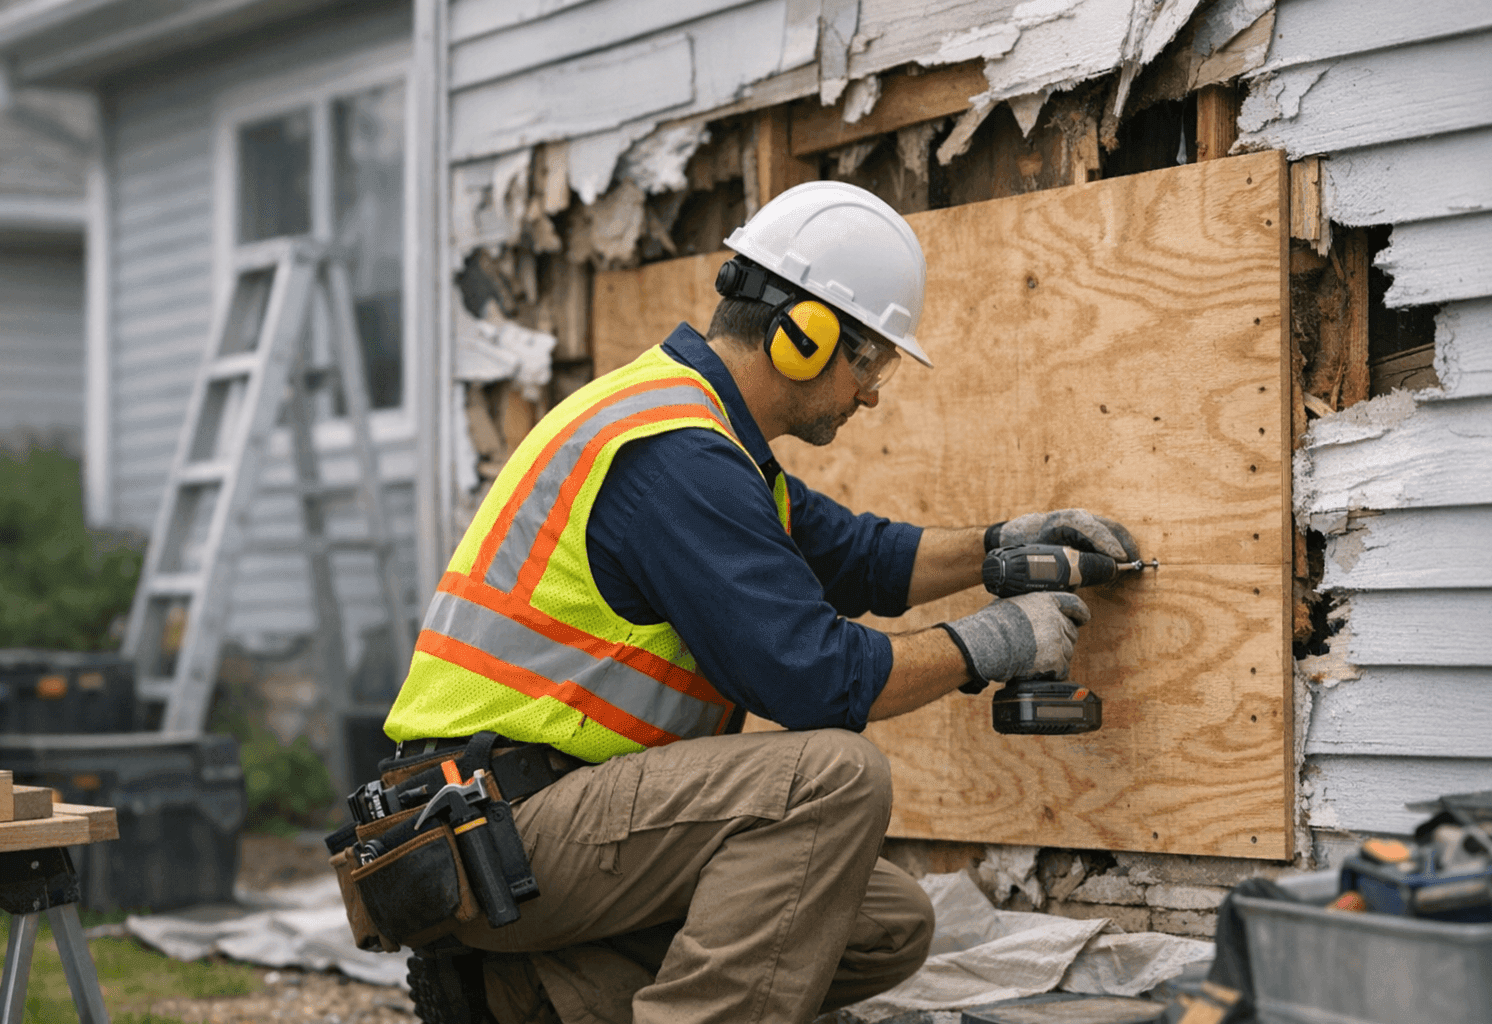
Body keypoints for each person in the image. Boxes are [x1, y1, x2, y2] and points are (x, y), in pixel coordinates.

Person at [381, 180, 1139, 1024]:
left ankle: (523, 998)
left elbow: (859, 558)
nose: (874, 391)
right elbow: (813, 680)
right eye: (872, 358)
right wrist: (991, 643)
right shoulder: (678, 459)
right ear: (804, 339)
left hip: (517, 825)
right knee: (834, 781)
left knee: (885, 925)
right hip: (495, 833)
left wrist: (1002, 543)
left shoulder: (700, 432)